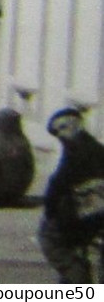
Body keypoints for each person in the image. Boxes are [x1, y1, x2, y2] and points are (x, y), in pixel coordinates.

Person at [40, 107, 104, 282]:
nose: (60, 134)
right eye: (56, 131)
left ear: (79, 124)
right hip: (82, 220)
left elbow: (59, 185)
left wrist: (51, 212)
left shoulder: (84, 152)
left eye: (64, 127)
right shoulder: (76, 150)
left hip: (80, 219)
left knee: (63, 256)